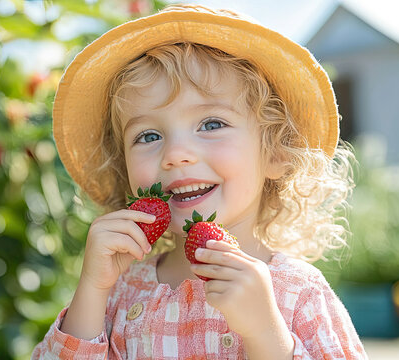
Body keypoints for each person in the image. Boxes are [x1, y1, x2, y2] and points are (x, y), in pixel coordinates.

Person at [33, 3, 367, 359]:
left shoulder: (298, 293)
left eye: (211, 124)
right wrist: (92, 288)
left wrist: (265, 332)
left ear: (275, 153)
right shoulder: (121, 291)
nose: (175, 154)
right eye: (147, 136)